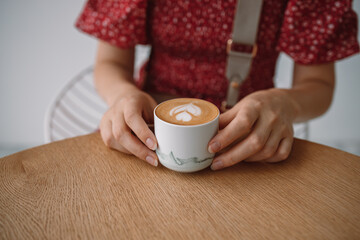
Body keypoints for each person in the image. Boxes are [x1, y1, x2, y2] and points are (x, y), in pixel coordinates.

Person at [75, 0, 359, 170]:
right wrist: (123, 96)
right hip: (149, 134)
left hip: (249, 144)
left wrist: (285, 103)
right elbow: (110, 64)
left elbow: (317, 83)